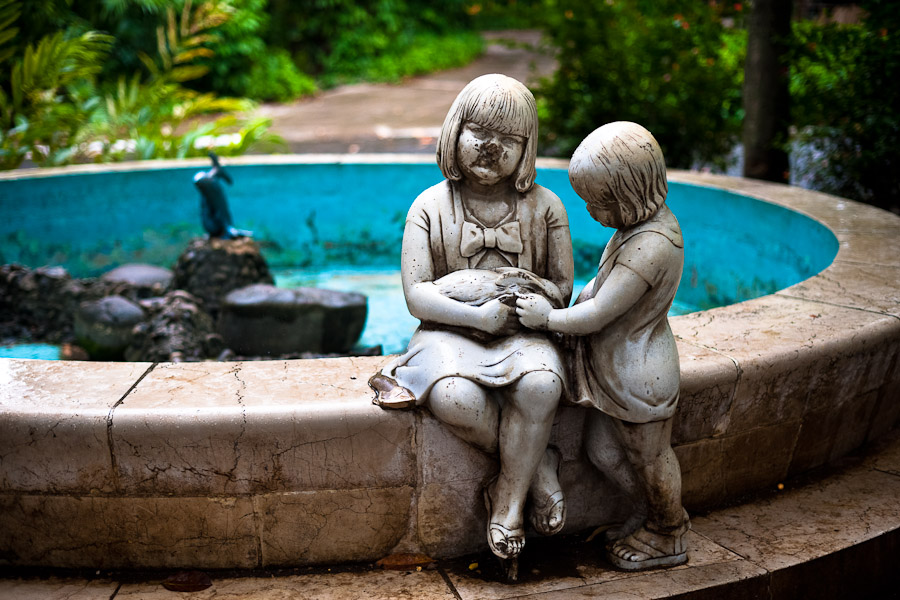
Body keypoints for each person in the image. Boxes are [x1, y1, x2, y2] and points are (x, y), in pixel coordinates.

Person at [369, 74, 574, 577]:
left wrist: (533, 304)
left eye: (509, 139)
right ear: (454, 130)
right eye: (478, 131)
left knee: (543, 384)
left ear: (527, 151)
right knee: (452, 398)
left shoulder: (546, 208)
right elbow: (418, 296)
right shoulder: (429, 207)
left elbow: (562, 285)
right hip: (448, 333)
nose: (490, 146)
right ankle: (539, 464)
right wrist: (475, 315)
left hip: (521, 333)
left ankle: (507, 500)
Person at [516, 121, 690, 571]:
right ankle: (647, 513)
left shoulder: (651, 244)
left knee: (649, 459)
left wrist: (549, 318)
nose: (592, 211)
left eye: (600, 202)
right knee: (605, 452)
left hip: (640, 376)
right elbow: (602, 285)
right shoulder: (636, 227)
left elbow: (600, 313)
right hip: (614, 369)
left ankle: (669, 530)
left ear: (632, 192)